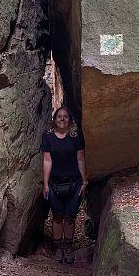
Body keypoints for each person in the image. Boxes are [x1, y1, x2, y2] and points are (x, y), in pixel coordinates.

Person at [41, 106, 88, 264]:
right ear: (54, 120)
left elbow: (80, 159)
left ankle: (68, 247)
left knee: (70, 217)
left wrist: (85, 181)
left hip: (74, 183)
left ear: (70, 119)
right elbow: (47, 160)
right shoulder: (47, 136)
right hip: (54, 183)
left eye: (65, 116)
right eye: (59, 116)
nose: (62, 119)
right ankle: (57, 247)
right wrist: (46, 183)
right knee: (57, 216)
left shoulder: (76, 135)